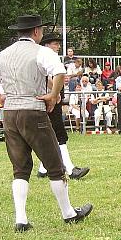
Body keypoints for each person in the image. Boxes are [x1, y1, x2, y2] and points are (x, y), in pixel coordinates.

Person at [0, 15, 92, 231]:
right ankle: (68, 213)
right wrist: (53, 95)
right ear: (36, 32)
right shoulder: (42, 52)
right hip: (33, 111)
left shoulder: (3, 55)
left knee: (20, 168)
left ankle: (21, 219)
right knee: (55, 165)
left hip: (9, 113)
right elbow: (60, 72)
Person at [36, 33, 90, 179]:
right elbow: (45, 76)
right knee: (59, 134)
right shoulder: (45, 56)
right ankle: (71, 169)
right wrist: (55, 92)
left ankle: (43, 169)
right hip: (50, 99)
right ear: (47, 44)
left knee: (51, 134)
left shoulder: (42, 56)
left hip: (50, 98)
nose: (58, 46)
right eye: (56, 43)